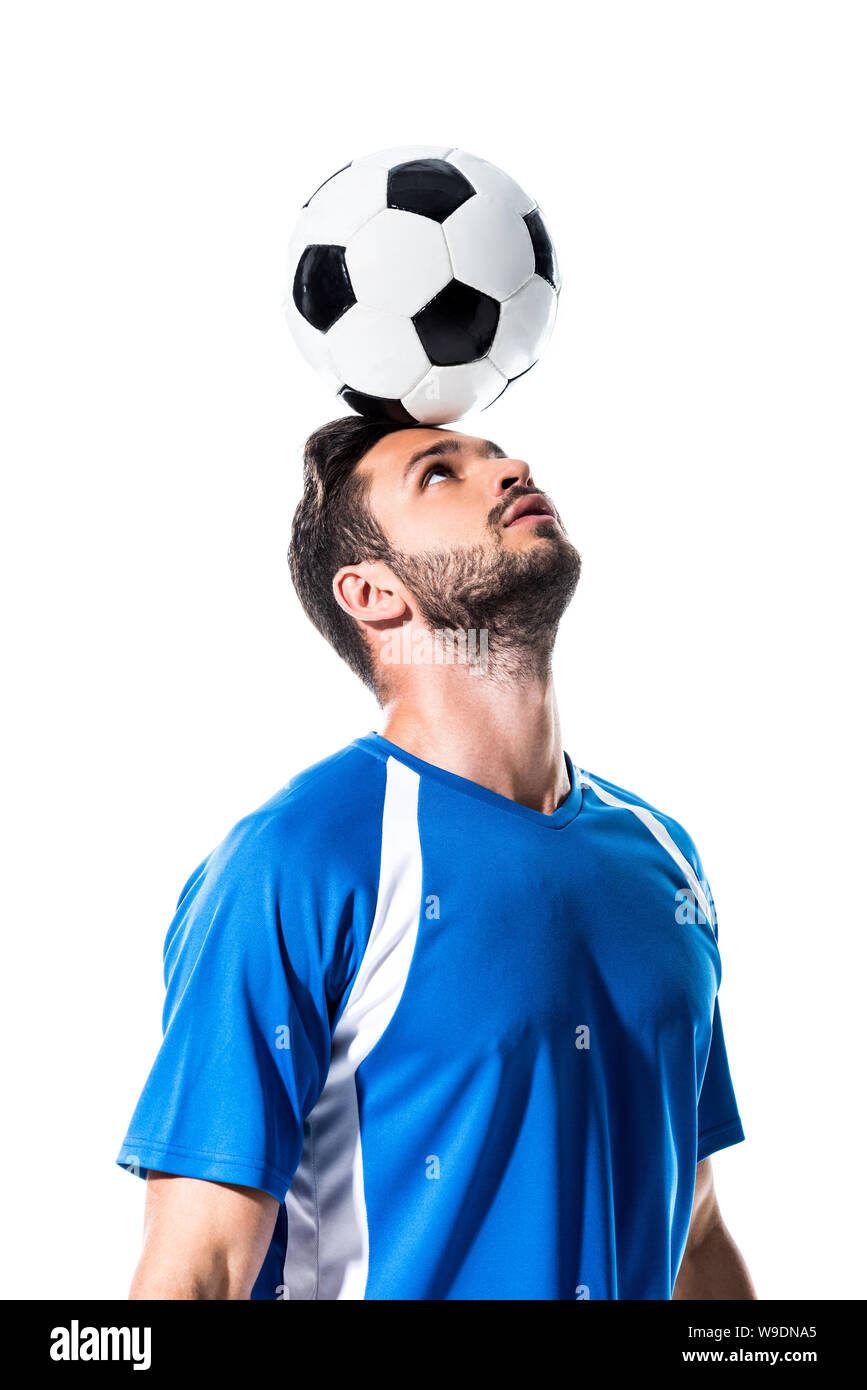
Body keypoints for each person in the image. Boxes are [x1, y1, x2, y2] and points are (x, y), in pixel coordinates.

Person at [117, 415, 755, 1300]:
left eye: (496, 455)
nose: (510, 468)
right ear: (372, 591)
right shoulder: (296, 861)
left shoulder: (659, 855)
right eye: (438, 475)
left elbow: (694, 1231)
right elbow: (199, 1271)